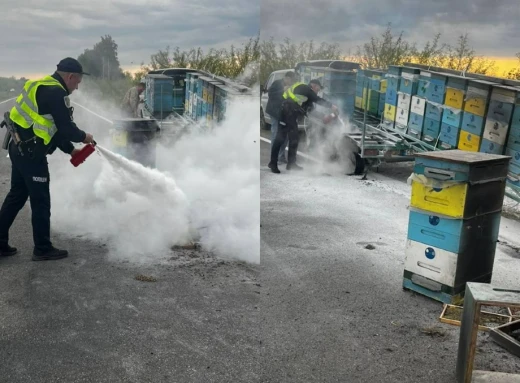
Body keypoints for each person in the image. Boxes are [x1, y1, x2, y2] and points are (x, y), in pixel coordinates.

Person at [0, 57, 95, 261]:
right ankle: (42, 248)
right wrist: (84, 137)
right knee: (41, 200)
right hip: (30, 154)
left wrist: (71, 151)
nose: (77, 87)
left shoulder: (41, 85)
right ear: (70, 77)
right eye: (77, 82)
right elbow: (67, 129)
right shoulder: (56, 93)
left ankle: (0, 243)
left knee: (16, 195)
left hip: (18, 148)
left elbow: (53, 129)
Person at [268, 79, 338, 173]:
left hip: (291, 115)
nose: (318, 90)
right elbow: (317, 100)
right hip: (285, 113)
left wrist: (324, 117)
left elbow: (310, 110)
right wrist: (331, 106)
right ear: (313, 85)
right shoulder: (305, 88)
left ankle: (291, 164)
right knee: (280, 139)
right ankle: (273, 163)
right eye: (318, 88)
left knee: (294, 139)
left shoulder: (306, 96)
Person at [265, 72, 295, 163]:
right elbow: (271, 94)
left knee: (284, 136)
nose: (291, 82)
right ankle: (274, 157)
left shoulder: (291, 87)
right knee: (275, 133)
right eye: (291, 80)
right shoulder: (277, 83)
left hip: (283, 113)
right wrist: (283, 90)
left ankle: (281, 156)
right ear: (286, 78)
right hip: (274, 112)